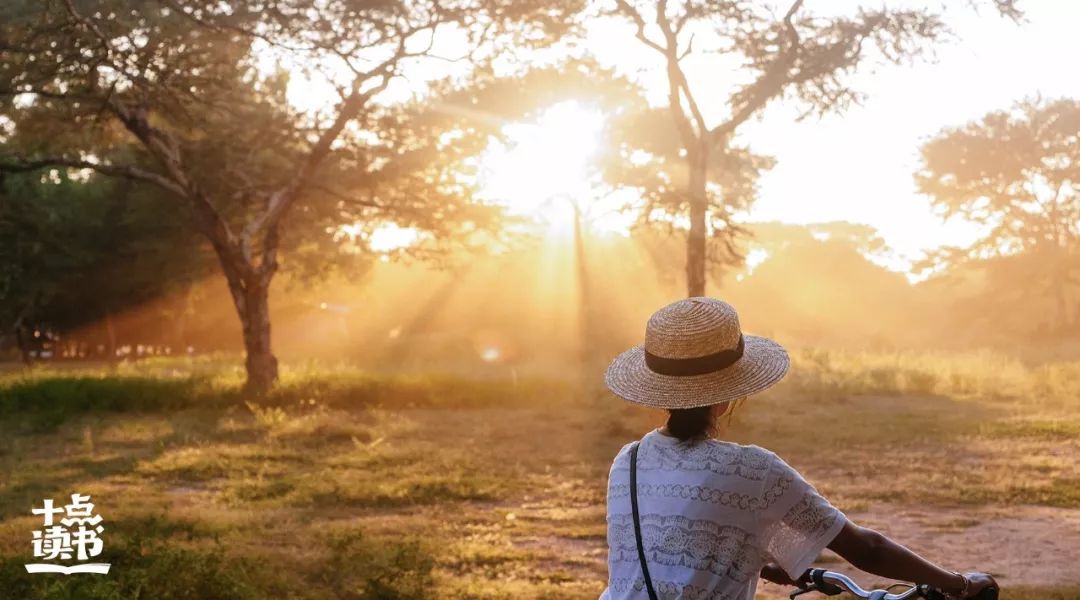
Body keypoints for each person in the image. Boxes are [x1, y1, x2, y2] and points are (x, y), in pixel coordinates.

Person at [600, 297, 997, 600]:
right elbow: (867, 550)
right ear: (727, 395)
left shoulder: (628, 461)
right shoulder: (753, 471)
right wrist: (960, 584)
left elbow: (669, 547)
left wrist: (756, 559)